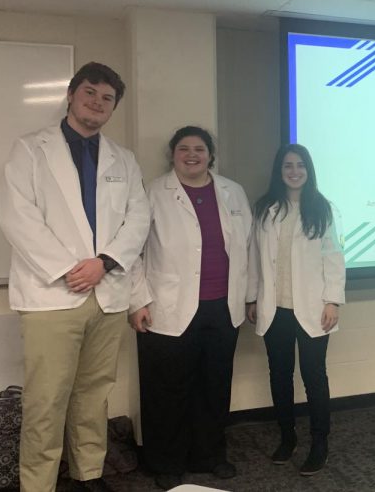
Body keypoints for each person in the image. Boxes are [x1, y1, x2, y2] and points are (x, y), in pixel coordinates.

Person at [0, 62, 150, 492]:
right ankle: (38, 484)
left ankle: (89, 473)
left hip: (107, 293)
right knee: (46, 402)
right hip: (52, 296)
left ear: (113, 107)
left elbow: (139, 218)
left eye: (107, 98)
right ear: (70, 94)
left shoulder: (124, 158)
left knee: (93, 395)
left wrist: (105, 261)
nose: (97, 103)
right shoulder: (29, 149)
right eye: (89, 93)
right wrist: (69, 268)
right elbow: (17, 216)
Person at [128, 126, 252, 489]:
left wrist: (251, 296)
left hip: (221, 306)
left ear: (211, 154)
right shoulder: (153, 192)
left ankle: (210, 455)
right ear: (173, 155)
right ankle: (166, 461)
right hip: (166, 308)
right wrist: (138, 300)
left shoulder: (233, 191)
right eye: (184, 149)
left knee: (214, 386)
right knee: (167, 389)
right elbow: (132, 251)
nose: (192, 154)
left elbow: (248, 249)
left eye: (200, 148)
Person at [247, 144, 345, 476]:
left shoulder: (321, 208)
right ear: (279, 170)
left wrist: (332, 300)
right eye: (288, 165)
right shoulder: (264, 208)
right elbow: (253, 259)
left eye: (300, 165)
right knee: (280, 375)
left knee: (315, 377)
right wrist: (251, 298)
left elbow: (333, 257)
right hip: (275, 309)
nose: (294, 171)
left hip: (314, 309)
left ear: (308, 170)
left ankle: (320, 443)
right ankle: (287, 438)